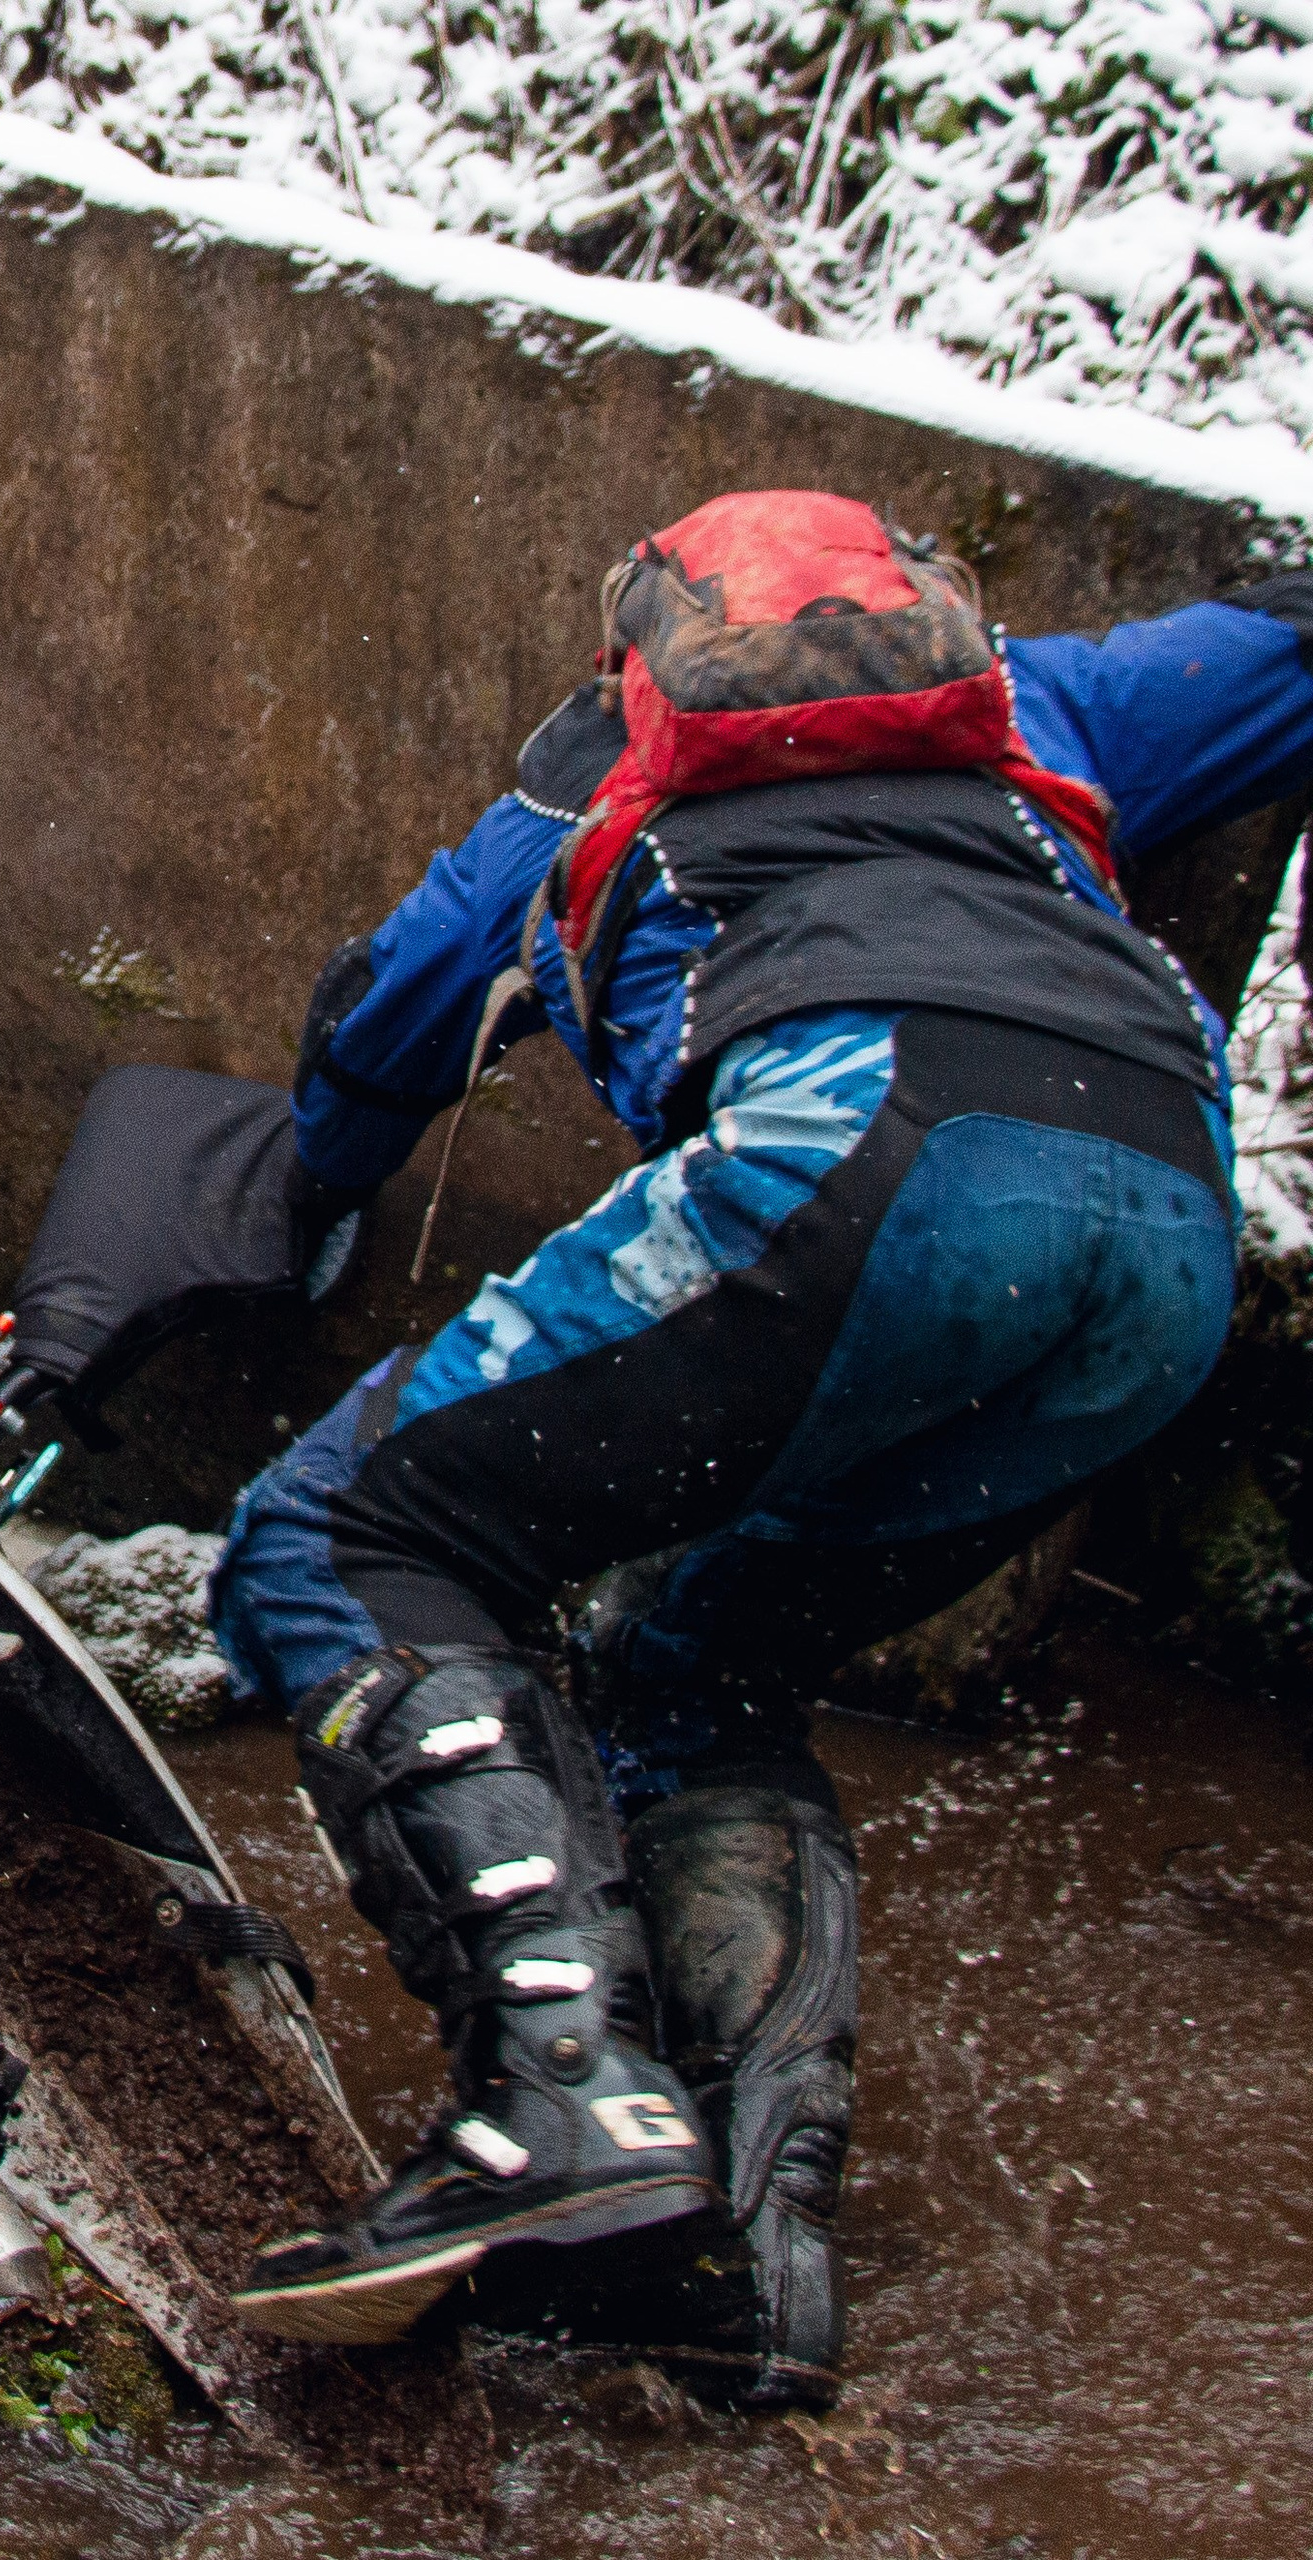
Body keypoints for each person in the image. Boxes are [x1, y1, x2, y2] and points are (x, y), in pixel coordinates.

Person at [208, 491, 1313, 2406]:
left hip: (870, 1155)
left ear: (650, 653)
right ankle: (746, 2260)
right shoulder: (1051, 708)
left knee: (342, 1532)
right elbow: (1286, 648)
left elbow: (371, 1043)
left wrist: (293, 1199)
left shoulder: (573, 805)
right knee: (693, 1677)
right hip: (1162, 1245)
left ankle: (556, 2099)